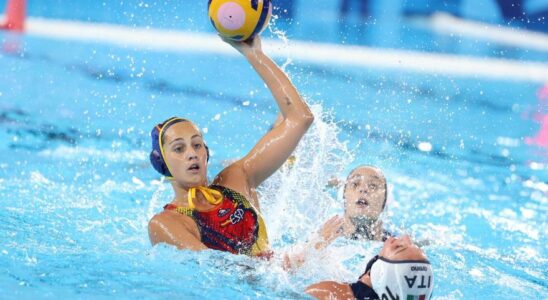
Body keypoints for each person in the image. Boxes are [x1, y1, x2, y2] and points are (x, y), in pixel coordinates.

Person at [147, 36, 314, 257]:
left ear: (206, 153)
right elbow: (212, 270)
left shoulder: (238, 179)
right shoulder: (166, 222)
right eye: (179, 149)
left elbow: (300, 118)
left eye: (197, 145)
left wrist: (255, 55)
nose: (192, 154)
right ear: (161, 162)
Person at [305, 235, 435, 300]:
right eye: (413, 244)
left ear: (379, 273)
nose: (405, 237)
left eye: (398, 247)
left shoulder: (332, 293)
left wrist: (313, 245)